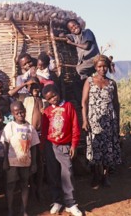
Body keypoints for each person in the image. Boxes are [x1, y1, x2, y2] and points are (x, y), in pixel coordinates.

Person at [41, 84, 82, 216]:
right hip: (50, 146)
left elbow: (75, 126)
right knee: (52, 173)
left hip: (64, 145)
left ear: (58, 92)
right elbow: (43, 131)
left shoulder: (68, 106)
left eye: (54, 95)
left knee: (67, 173)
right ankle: (56, 201)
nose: (53, 99)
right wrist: (43, 148)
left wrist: (74, 145)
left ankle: (71, 203)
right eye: (49, 98)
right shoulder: (47, 112)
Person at [81, 54, 121, 189]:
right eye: (99, 66)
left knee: (108, 148)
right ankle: (96, 176)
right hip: (94, 120)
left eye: (104, 66)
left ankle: (105, 176)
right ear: (95, 67)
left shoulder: (112, 84)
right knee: (95, 147)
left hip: (109, 121)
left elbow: (116, 104)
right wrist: (85, 120)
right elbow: (84, 102)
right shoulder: (89, 81)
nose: (102, 69)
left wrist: (117, 122)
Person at [0, 101, 39, 216]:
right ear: (12, 114)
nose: (20, 114)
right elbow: (5, 144)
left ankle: (24, 209)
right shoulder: (10, 126)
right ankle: (10, 210)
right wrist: (5, 160)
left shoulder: (30, 128)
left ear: (25, 111)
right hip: (12, 161)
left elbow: (34, 147)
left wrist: (34, 163)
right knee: (11, 185)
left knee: (24, 184)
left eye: (22, 112)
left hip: (26, 161)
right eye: (17, 113)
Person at [22, 77, 45, 201]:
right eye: (32, 87)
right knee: (29, 161)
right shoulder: (26, 99)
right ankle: (31, 186)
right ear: (28, 88)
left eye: (37, 86)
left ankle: (39, 188)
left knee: (40, 162)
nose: (35, 89)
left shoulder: (43, 100)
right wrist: (26, 84)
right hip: (28, 134)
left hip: (40, 134)